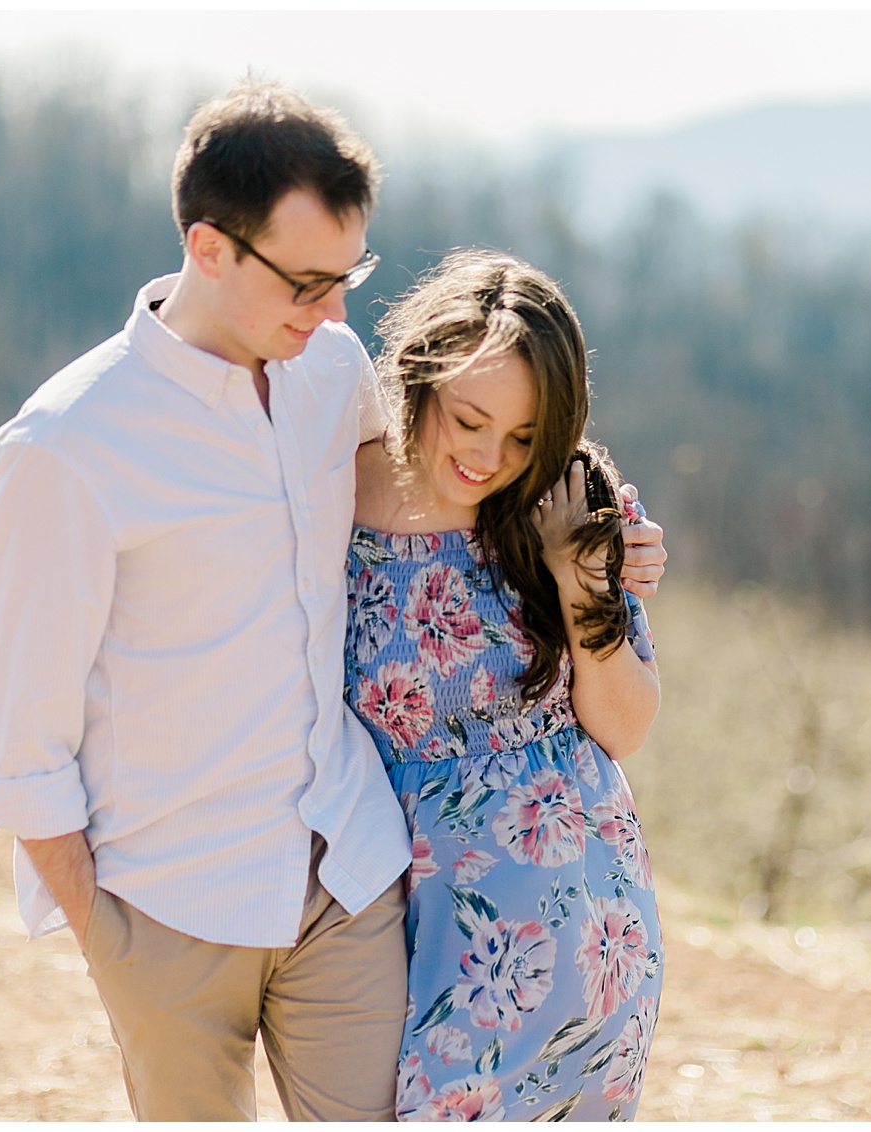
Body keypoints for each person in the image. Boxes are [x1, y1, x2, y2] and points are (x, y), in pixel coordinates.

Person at [0, 82, 666, 1121]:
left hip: (352, 878)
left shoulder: (325, 371)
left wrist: (614, 562)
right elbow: (18, 745)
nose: (337, 312)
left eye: (348, 276)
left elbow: (486, 469)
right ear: (210, 249)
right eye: (305, 281)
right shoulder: (69, 449)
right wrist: (106, 941)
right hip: (173, 900)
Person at [346, 250, 663, 1121]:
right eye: (469, 419)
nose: (489, 457)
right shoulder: (328, 483)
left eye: (523, 437)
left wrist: (578, 582)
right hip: (396, 912)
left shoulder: (570, 500)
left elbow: (626, 726)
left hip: (580, 924)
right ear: (419, 377)